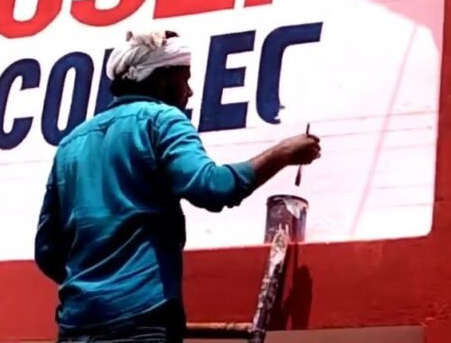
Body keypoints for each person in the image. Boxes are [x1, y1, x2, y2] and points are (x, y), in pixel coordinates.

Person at [35, 30, 321, 343]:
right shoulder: (162, 120)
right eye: (185, 79)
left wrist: (92, 286)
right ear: (164, 80)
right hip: (141, 319)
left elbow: (47, 250)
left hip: (76, 325)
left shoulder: (71, 144)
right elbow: (213, 187)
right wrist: (283, 153)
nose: (190, 92)